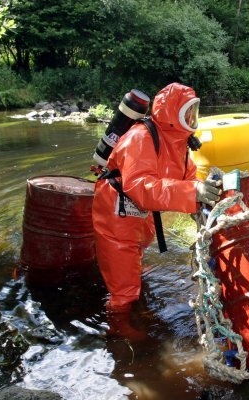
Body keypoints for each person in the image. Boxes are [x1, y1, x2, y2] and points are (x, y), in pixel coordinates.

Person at [92, 82, 222, 339]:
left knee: (135, 253)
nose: (191, 119)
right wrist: (191, 192)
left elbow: (188, 177)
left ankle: (130, 289)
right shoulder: (140, 137)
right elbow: (140, 186)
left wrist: (206, 194)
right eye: (187, 112)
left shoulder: (178, 142)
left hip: (140, 213)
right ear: (172, 113)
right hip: (116, 212)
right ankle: (121, 332)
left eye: (194, 112)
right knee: (124, 289)